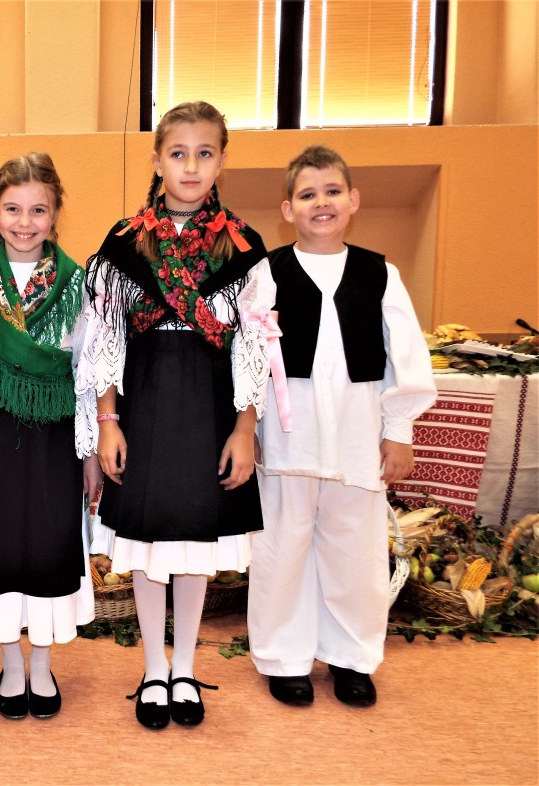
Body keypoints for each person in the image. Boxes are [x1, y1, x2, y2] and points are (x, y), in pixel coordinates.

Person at [75, 101, 276, 730]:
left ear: (222, 160)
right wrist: (108, 420)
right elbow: (105, 336)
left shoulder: (242, 245)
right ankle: (153, 667)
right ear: (158, 159)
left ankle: (185, 667)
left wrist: (245, 427)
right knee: (147, 541)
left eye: (205, 153)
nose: (191, 166)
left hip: (211, 404)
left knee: (193, 540)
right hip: (143, 400)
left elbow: (253, 342)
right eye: (178, 153)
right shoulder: (123, 242)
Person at [247, 145, 436, 708]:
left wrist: (399, 430)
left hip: (358, 436)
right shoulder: (267, 273)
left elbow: (405, 356)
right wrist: (246, 425)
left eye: (332, 191)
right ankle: (284, 658)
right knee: (282, 550)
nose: (321, 203)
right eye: (307, 195)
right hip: (288, 438)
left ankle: (352, 658)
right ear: (288, 209)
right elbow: (246, 356)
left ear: (353, 200)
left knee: (355, 554)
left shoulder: (381, 274)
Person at [0, 153, 98, 720]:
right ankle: (10, 664)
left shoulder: (78, 284)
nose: (24, 221)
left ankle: (42, 664)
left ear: (56, 213)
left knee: (49, 547)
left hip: (54, 434)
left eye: (39, 210)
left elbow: (88, 373)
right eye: (12, 208)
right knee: (0, 546)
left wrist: (90, 453)